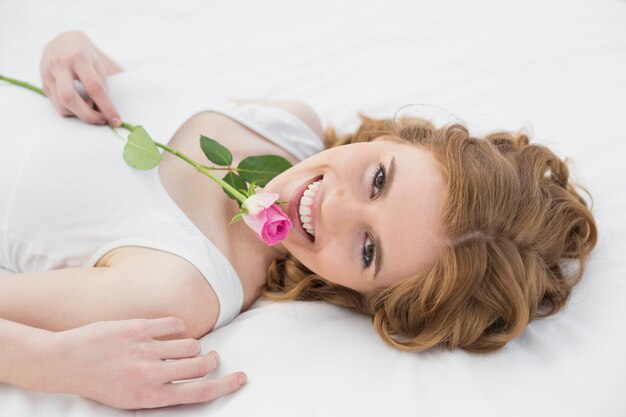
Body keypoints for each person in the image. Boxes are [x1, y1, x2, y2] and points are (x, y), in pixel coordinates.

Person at [0, 30, 598, 408]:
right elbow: (104, 108)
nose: (335, 207)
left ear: (373, 297)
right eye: (380, 179)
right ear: (400, 137)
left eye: (369, 250)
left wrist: (49, 366)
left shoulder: (182, 288)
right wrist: (70, 50)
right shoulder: (286, 123)